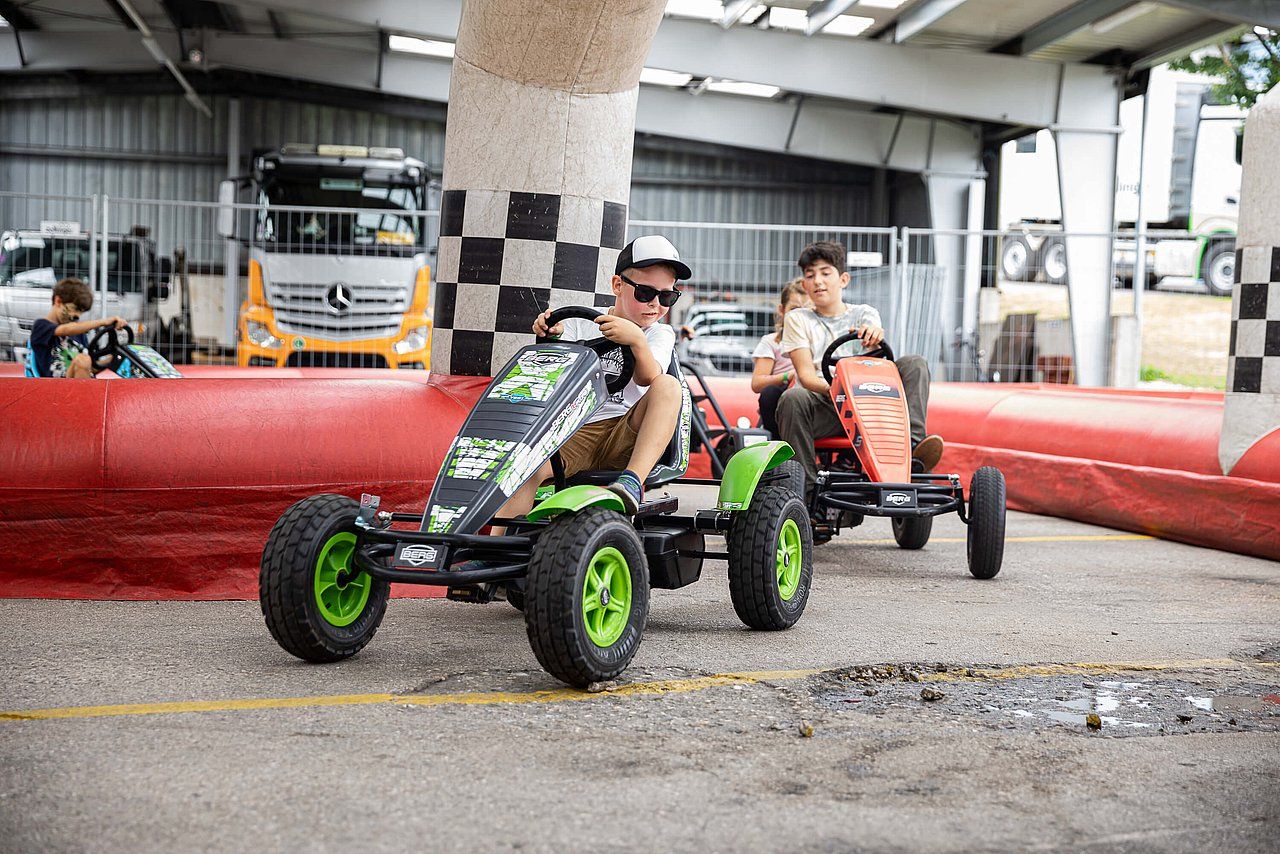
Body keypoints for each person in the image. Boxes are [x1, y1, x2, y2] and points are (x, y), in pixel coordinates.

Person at [509, 235, 690, 517]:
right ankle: (499, 546)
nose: (656, 304)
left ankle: (631, 482)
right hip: (576, 430)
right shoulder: (580, 326)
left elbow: (647, 378)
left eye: (667, 296)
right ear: (618, 285)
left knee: (667, 384)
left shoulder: (658, 333)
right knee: (523, 465)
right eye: (645, 293)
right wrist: (550, 338)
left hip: (628, 433)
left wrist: (637, 342)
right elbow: (552, 377)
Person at [776, 240, 944, 492]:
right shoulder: (798, 319)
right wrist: (842, 392)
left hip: (870, 406)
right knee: (793, 397)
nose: (818, 281)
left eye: (825, 273)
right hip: (827, 404)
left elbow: (878, 353)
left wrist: (874, 333)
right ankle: (805, 490)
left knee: (914, 363)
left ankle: (912, 450)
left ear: (843, 279)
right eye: (810, 276)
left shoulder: (865, 314)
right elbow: (807, 377)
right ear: (804, 285)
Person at [27, 277, 126, 378]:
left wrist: (112, 359)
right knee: (82, 360)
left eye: (81, 312)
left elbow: (89, 369)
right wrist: (103, 322)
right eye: (74, 309)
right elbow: (65, 330)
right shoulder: (41, 326)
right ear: (58, 301)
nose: (77, 315)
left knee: (89, 360)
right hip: (55, 388)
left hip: (81, 383)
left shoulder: (79, 334)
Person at [751, 278, 808, 437]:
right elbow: (757, 383)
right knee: (769, 393)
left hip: (810, 391)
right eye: (795, 310)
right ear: (782, 311)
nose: (801, 317)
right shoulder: (772, 342)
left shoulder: (818, 340)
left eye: (807, 310)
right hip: (784, 391)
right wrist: (787, 376)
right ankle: (777, 443)